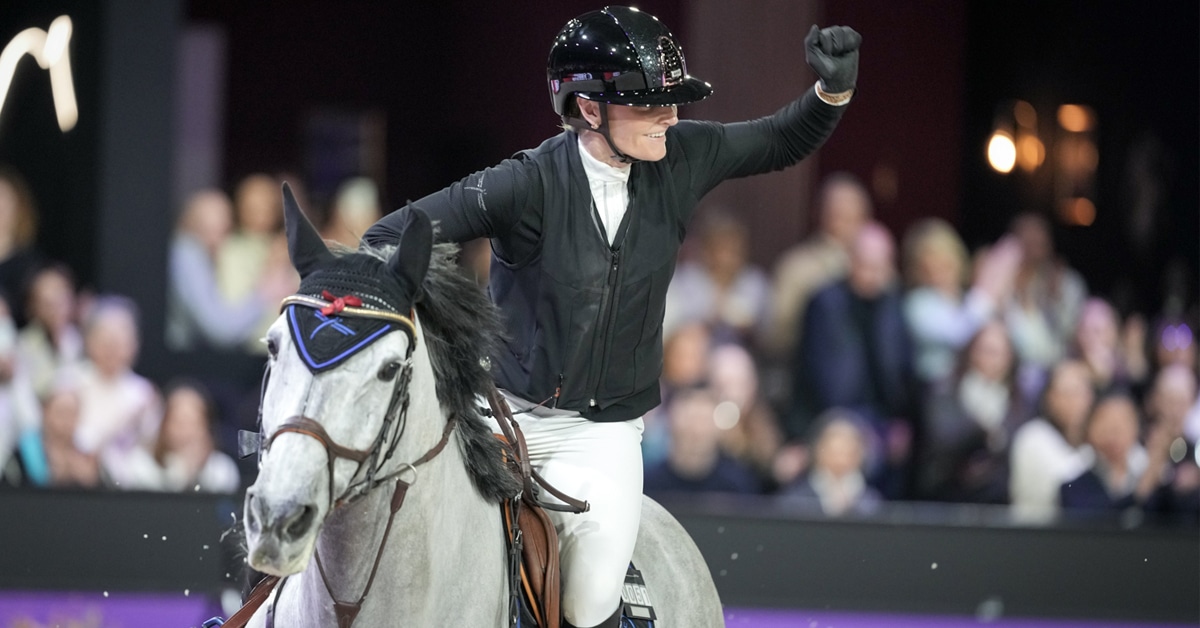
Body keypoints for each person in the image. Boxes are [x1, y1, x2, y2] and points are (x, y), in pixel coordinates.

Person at [364, 8, 860, 627]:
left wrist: (831, 91)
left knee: (591, 598)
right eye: (651, 105)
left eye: (672, 103)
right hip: (496, 412)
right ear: (589, 109)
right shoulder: (525, 183)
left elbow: (780, 138)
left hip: (599, 431)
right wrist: (443, 332)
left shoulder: (682, 157)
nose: (672, 117)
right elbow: (389, 238)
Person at [789, 222, 914, 497]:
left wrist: (901, 421)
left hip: (881, 420)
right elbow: (806, 371)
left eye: (878, 266)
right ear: (850, 260)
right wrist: (798, 435)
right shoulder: (824, 303)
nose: (870, 274)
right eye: (864, 264)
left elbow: (904, 373)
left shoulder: (894, 305)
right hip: (834, 415)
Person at [917, 320, 1031, 503]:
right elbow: (942, 438)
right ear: (971, 352)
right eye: (985, 350)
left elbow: (1020, 446)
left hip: (1000, 492)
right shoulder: (945, 390)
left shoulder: (1021, 402)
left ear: (1010, 358)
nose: (990, 359)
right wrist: (983, 433)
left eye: (998, 353)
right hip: (949, 487)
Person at [900, 218, 1021, 386]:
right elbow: (960, 333)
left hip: (978, 387)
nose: (938, 270)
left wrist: (1004, 297)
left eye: (945, 262)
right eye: (929, 264)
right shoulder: (918, 304)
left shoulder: (967, 298)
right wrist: (990, 284)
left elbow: (1011, 338)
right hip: (937, 392)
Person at [766, 172, 872, 359]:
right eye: (837, 214)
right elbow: (776, 335)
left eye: (851, 216)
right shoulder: (796, 266)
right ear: (820, 214)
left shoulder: (876, 265)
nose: (842, 222)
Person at [1008, 360, 1096, 523]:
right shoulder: (1033, 437)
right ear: (1049, 397)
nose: (1074, 401)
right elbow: (1066, 490)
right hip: (1038, 537)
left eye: (1080, 392)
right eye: (1067, 393)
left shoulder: (1093, 444)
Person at [642, 386, 761, 496]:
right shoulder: (649, 483)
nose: (697, 431)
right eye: (690, 420)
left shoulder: (738, 485)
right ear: (672, 423)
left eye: (704, 421)